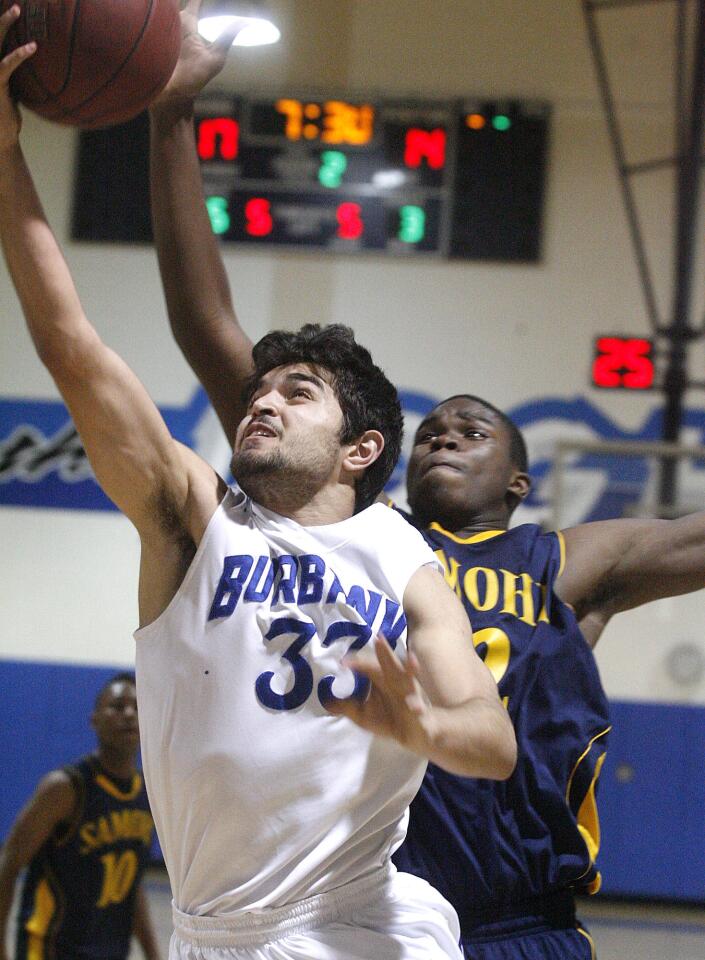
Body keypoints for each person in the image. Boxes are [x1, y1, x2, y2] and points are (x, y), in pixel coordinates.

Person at [147, 9, 705, 958]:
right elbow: (211, 331)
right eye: (433, 425)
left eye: (474, 427)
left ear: (521, 480)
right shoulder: (366, 541)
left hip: (526, 923)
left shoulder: (563, 562)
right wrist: (167, 120)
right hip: (371, 921)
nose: (446, 430)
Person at [0, 10, 516, 960]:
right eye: (259, 391)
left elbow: (493, 742)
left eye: (298, 392)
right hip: (220, 933)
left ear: (360, 451)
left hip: (363, 919)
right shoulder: (192, 519)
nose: (262, 404)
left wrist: (423, 721)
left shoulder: (397, 550)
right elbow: (75, 349)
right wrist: (5, 156)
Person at [0, 673, 159, 960]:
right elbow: (8, 864)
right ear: (94, 719)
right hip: (48, 949)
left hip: (108, 952)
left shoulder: (146, 793)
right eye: (117, 706)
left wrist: (154, 953)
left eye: (137, 707)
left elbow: (131, 887)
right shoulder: (65, 789)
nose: (129, 714)